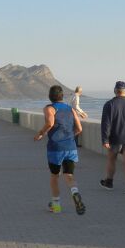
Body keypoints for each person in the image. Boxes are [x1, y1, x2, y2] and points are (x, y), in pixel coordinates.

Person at [34, 85, 86, 215]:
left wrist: (40, 133)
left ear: (50, 97)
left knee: (55, 176)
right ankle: (75, 192)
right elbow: (79, 129)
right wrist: (68, 137)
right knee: (69, 175)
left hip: (55, 148)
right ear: (62, 96)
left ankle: (56, 205)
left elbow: (50, 123)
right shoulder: (70, 109)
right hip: (70, 147)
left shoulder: (49, 108)